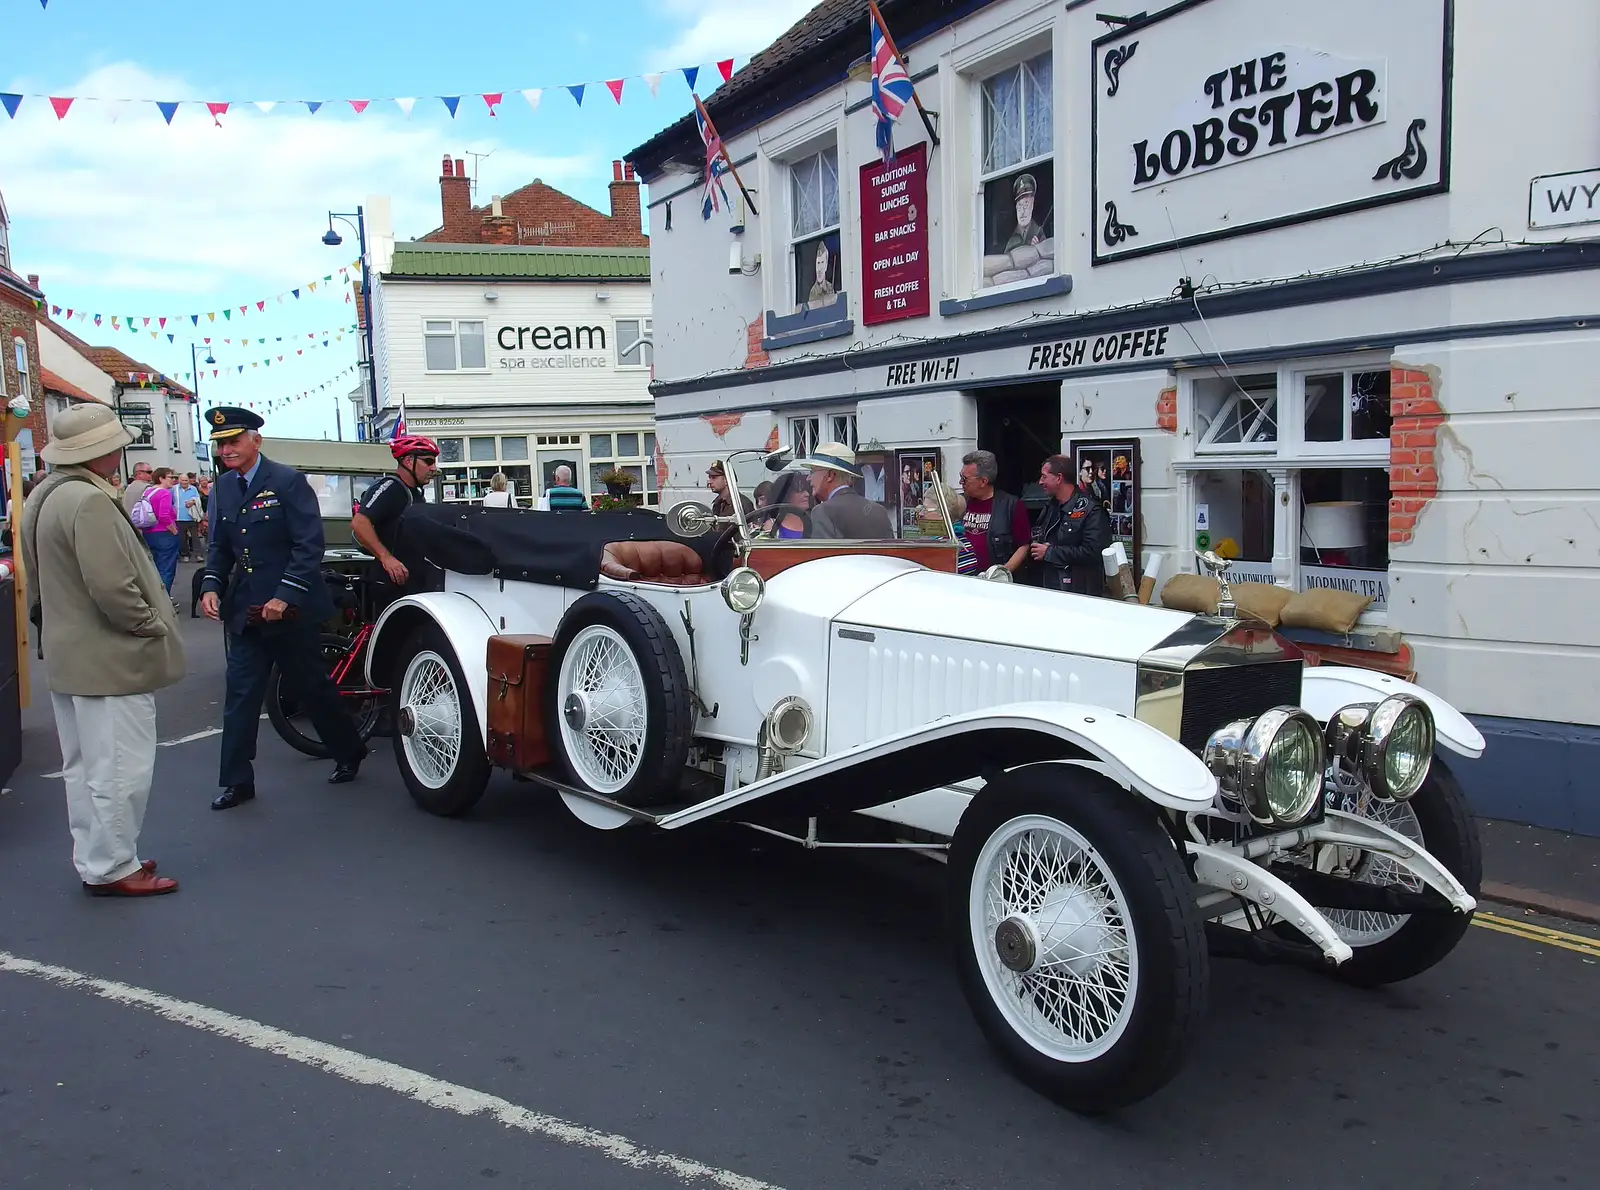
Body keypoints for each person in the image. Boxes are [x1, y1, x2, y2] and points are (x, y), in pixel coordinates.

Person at [20, 405, 185, 896]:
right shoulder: (88, 502)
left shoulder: (44, 496)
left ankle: (99, 859)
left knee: (84, 769)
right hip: (108, 657)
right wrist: (148, 625)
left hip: (72, 653)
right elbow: (113, 587)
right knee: (119, 769)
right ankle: (115, 865)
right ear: (101, 452)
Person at [200, 406, 368, 810]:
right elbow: (221, 546)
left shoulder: (287, 481)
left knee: (312, 687)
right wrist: (211, 584)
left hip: (291, 611)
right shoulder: (223, 488)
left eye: (234, 441)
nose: (227, 450)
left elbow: (308, 545)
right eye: (221, 444)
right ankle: (237, 781)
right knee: (240, 695)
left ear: (256, 441)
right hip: (247, 611)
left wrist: (285, 595)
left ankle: (348, 751)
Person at [351, 434, 441, 596]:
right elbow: (359, 523)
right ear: (408, 461)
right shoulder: (391, 487)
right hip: (389, 584)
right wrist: (386, 558)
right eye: (428, 461)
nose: (433, 468)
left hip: (412, 582)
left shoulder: (416, 493)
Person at [1030, 454, 1111, 596]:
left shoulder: (1092, 510)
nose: (1040, 482)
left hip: (1079, 592)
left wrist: (1050, 552)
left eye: (1044, 476)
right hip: (1050, 587)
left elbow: (1094, 552)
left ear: (1059, 478)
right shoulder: (1050, 507)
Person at [794, 442, 895, 539]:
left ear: (830, 475)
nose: (808, 478)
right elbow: (891, 554)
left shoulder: (822, 511)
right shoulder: (879, 511)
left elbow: (824, 556)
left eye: (813, 471)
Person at [959, 449, 1032, 580]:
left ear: (983, 482)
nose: (960, 483)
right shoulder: (959, 503)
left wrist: (1001, 573)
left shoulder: (1011, 505)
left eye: (965, 479)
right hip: (963, 578)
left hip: (995, 581)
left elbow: (1024, 545)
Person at [142, 467, 181, 593]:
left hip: (149, 533)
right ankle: (165, 599)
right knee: (166, 569)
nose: (174, 480)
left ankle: (154, 597)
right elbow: (163, 516)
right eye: (170, 477)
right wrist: (174, 531)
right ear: (161, 478)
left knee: (154, 569)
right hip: (164, 534)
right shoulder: (164, 493)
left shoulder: (147, 492)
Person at [1004, 173, 1046, 252]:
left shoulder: (1039, 234)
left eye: (1026, 204)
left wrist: (1038, 250)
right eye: (1019, 205)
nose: (1022, 211)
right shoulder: (1011, 240)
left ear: (1032, 204)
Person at [176, 472, 202, 561]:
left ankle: (198, 555)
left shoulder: (193, 489)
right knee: (182, 538)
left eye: (186, 480)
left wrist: (193, 501)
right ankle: (185, 554)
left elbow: (198, 499)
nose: (184, 482)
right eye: (182, 480)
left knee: (195, 537)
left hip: (192, 517)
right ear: (179, 480)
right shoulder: (174, 489)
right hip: (179, 517)